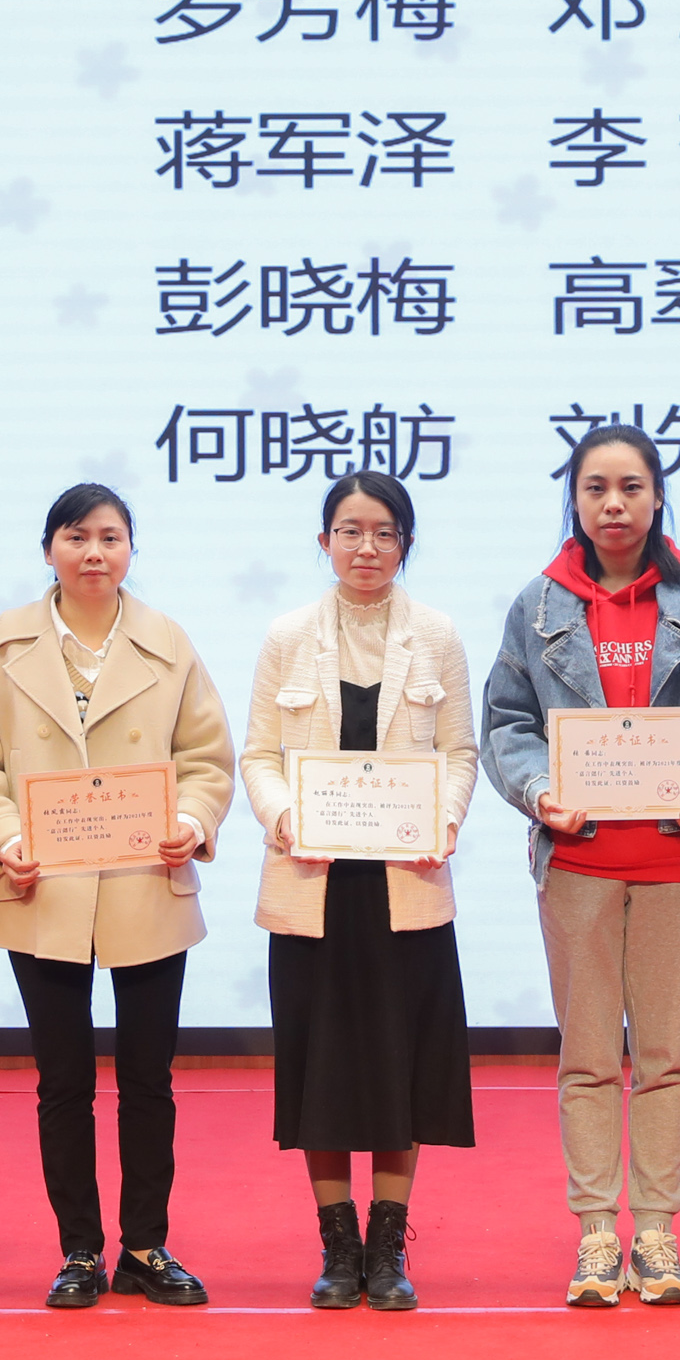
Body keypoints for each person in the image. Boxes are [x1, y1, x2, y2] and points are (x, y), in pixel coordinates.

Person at [480, 423, 680, 1309]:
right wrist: (540, 792)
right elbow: (506, 724)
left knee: (666, 1054)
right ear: (573, 497)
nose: (613, 504)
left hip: (677, 857)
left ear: (657, 495)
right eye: (596, 487)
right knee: (588, 1054)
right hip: (579, 860)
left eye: (631, 487)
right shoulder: (539, 604)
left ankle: (656, 1229)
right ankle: (597, 1231)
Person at [0, 483, 237, 1308]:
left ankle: (145, 1244)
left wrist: (190, 819)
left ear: (131, 549)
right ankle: (79, 1249)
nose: (95, 552)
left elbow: (207, 755)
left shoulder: (167, 641)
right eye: (77, 537)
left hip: (147, 880)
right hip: (42, 883)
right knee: (62, 1081)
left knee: (149, 1079)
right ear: (49, 550)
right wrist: (2, 835)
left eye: (111, 537)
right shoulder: (5, 642)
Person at [236, 469, 478, 1311]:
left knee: (404, 1067)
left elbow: (459, 753)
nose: (366, 546)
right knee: (323, 1069)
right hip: (315, 884)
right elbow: (258, 754)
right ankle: (337, 1244)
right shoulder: (288, 635)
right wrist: (283, 815)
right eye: (349, 530)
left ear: (404, 543)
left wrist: (445, 817)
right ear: (324, 540)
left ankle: (387, 1244)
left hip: (405, 885)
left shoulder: (437, 635)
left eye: (383, 532)